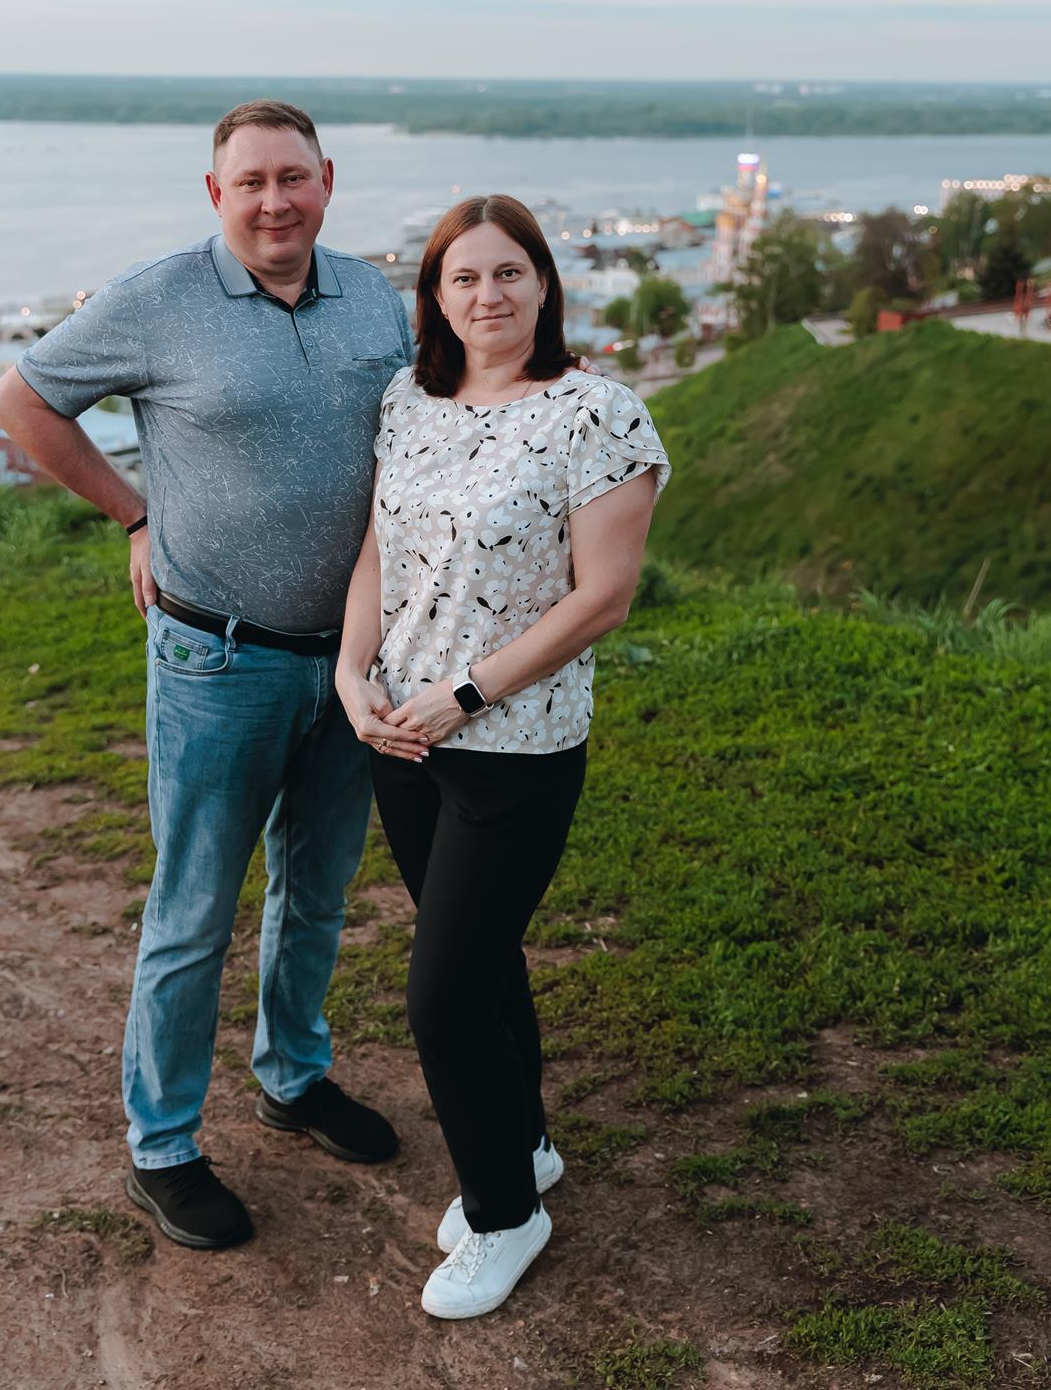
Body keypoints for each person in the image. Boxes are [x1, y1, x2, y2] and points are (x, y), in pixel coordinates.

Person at [0, 99, 415, 1252]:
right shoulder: (157, 299)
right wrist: (134, 513)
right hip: (215, 657)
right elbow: (18, 402)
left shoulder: (372, 296)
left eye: (293, 177)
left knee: (316, 890)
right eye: (250, 183)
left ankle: (293, 1077)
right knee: (193, 911)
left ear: (327, 181)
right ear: (215, 194)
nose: (274, 201)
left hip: (350, 665)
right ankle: (163, 1145)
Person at [336, 194, 669, 1320]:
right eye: (464, 277)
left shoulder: (596, 414)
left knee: (440, 998)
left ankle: (501, 1216)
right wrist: (351, 674)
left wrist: (466, 693)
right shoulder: (407, 401)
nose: (488, 295)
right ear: (434, 296)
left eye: (509, 273)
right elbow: (378, 548)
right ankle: (522, 1146)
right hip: (398, 738)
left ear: (544, 283)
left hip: (514, 746)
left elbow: (603, 597)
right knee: (479, 966)